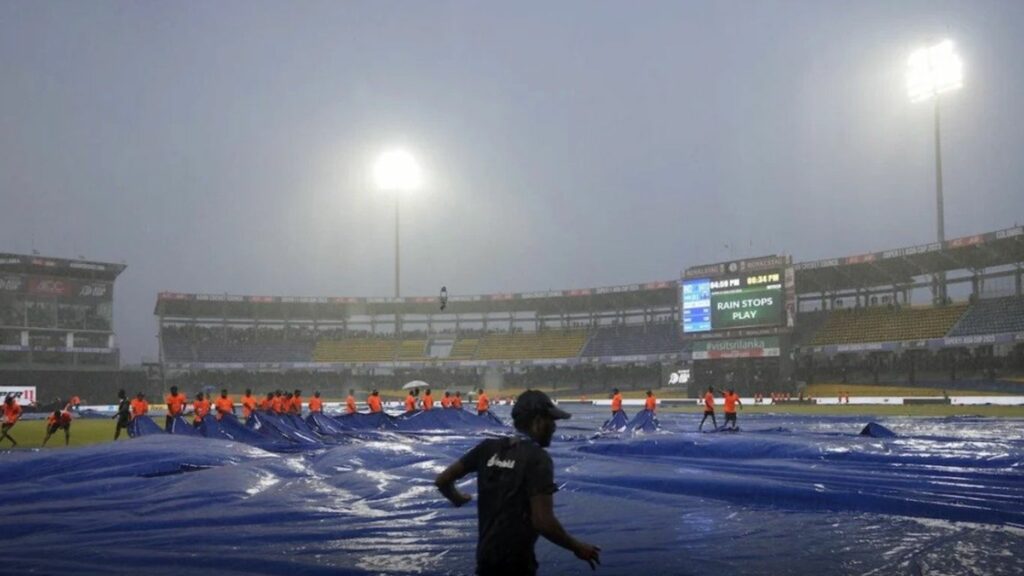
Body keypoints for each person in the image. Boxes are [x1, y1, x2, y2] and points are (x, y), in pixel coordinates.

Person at [435, 390, 600, 575]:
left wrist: (456, 497)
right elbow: (542, 521)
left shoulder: (487, 448)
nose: (554, 427)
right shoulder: (537, 459)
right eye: (551, 421)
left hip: (486, 559)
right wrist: (577, 547)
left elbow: (443, 480)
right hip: (517, 565)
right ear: (538, 422)